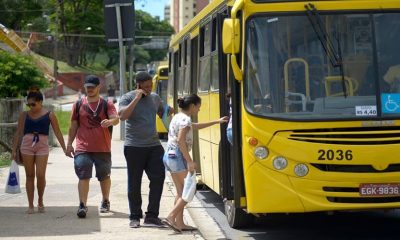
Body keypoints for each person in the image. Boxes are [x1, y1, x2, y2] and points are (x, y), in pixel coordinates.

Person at [162, 94, 228, 233]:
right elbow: (181, 141)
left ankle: (179, 224)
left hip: (169, 155)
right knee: (189, 190)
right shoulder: (185, 120)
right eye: (198, 107)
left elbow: (195, 126)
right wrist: (190, 161)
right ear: (192, 106)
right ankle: (170, 216)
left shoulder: (178, 117)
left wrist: (217, 121)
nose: (199, 110)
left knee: (181, 192)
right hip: (178, 156)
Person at [119, 71, 173, 228]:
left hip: (154, 146)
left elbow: (163, 112)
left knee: (158, 179)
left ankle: (152, 215)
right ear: (138, 85)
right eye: (146, 86)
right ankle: (135, 216)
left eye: (151, 85)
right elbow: (122, 116)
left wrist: (170, 110)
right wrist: (137, 98)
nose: (149, 89)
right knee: (134, 182)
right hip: (134, 146)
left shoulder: (154, 98)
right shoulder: (127, 97)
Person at [65, 75, 119, 218]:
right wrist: (69, 144)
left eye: (92, 87)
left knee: (104, 176)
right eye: (87, 87)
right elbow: (74, 125)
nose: (89, 90)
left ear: (98, 87)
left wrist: (110, 122)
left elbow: (116, 119)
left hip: (103, 148)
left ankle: (105, 200)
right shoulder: (78, 104)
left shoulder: (107, 104)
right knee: (83, 175)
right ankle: (82, 205)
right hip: (83, 147)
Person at [12, 88, 67, 214]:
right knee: (29, 175)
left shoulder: (50, 115)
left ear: (40, 102)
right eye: (28, 104)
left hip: (42, 145)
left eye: (33, 104)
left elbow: (58, 132)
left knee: (41, 175)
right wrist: (14, 150)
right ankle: (30, 205)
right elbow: (18, 132)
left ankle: (40, 200)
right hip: (26, 145)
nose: (30, 106)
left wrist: (64, 148)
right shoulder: (24, 115)